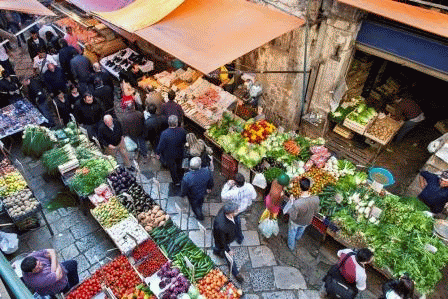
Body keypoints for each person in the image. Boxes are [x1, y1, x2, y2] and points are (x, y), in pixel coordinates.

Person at [212, 203, 245, 283]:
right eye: (236, 211)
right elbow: (221, 240)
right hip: (222, 239)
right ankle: (235, 273)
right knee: (226, 253)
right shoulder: (220, 225)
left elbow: (237, 224)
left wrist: (239, 235)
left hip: (230, 234)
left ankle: (239, 238)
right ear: (230, 214)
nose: (238, 211)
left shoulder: (228, 210)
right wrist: (228, 250)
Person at [286, 177, 320, 251]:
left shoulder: (297, 203)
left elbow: (293, 216)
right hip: (307, 221)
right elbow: (316, 211)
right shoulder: (316, 198)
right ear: (309, 187)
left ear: (299, 187)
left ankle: (291, 246)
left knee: (292, 232)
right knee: (301, 230)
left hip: (296, 222)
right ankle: (297, 238)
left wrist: (291, 203)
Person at [156, 115, 187, 186]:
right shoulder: (182, 131)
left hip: (169, 154)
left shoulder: (164, 133)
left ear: (168, 123)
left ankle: (176, 181)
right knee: (180, 165)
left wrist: (158, 153)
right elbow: (185, 140)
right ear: (176, 123)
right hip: (180, 152)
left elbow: (161, 145)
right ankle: (181, 178)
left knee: (172, 168)